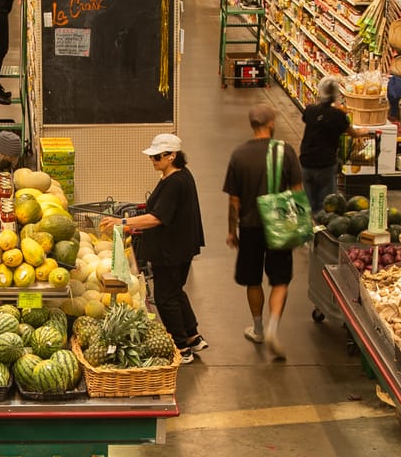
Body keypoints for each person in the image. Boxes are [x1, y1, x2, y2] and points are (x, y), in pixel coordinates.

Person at [112, 133, 208, 363]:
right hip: (182, 247)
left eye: (157, 157)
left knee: (165, 297)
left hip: (171, 250)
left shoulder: (175, 182)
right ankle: (193, 336)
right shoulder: (180, 175)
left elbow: (157, 218)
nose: (152, 160)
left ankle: (181, 347)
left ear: (172, 156)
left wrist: (123, 223)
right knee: (175, 290)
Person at [223, 104, 303, 360]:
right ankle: (273, 328)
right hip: (279, 224)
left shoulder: (238, 155)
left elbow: (234, 200)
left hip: (249, 226)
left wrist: (231, 230)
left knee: (253, 279)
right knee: (280, 280)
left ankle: (257, 328)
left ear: (251, 124)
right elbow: (298, 191)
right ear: (271, 124)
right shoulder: (285, 151)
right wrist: (299, 227)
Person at [298, 77, 367, 222]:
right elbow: (352, 133)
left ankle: (311, 230)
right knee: (327, 204)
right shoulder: (339, 116)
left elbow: (309, 120)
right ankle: (323, 234)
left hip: (306, 162)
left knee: (310, 202)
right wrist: (363, 131)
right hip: (325, 164)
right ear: (336, 94)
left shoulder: (310, 110)